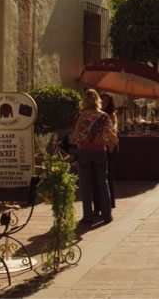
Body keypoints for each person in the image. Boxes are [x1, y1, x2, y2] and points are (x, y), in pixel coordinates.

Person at [69, 89, 117, 225]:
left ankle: (88, 216)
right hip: (100, 151)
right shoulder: (104, 116)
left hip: (84, 151)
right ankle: (107, 215)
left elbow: (73, 137)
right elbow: (110, 133)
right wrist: (111, 143)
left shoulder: (81, 117)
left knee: (86, 185)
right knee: (103, 183)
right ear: (98, 100)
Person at [92, 93, 118, 214]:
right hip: (100, 147)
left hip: (110, 147)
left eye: (106, 101)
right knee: (101, 177)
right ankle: (102, 205)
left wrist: (110, 144)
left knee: (107, 175)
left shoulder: (111, 115)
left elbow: (113, 132)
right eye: (102, 100)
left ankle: (109, 202)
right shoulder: (96, 114)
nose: (103, 102)